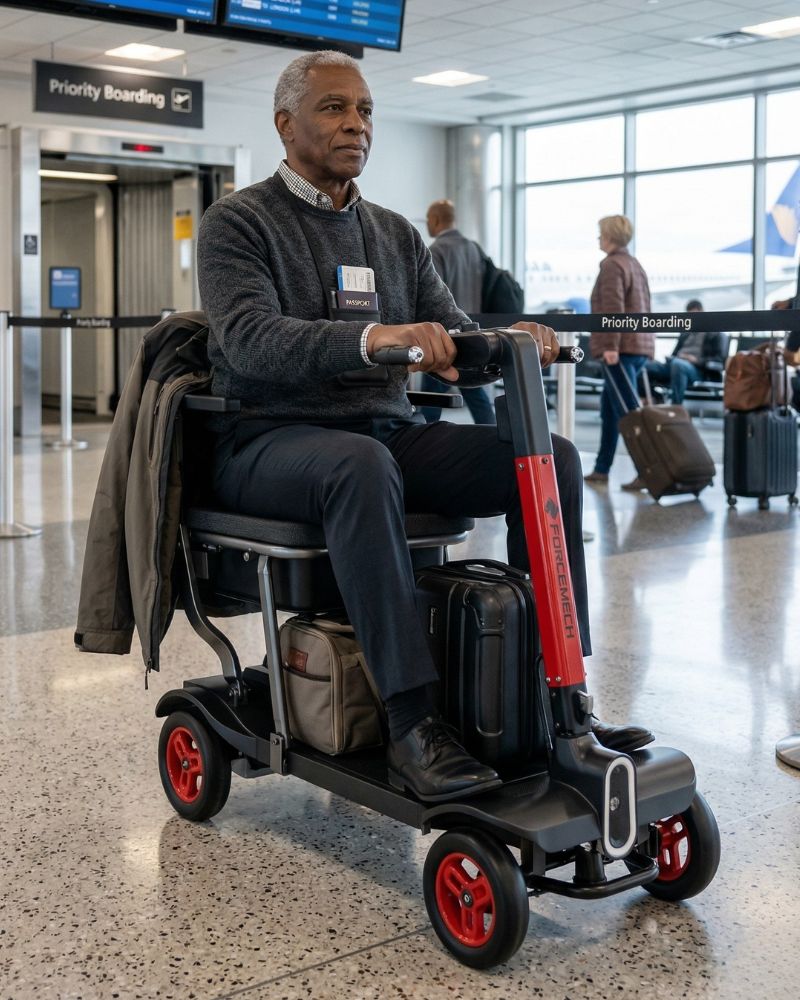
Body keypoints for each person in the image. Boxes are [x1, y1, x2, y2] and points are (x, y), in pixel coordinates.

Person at [196, 51, 652, 804]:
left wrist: (506, 343)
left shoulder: (394, 235)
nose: (356, 124)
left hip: (379, 432)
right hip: (264, 437)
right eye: (335, 108)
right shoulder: (238, 222)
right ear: (286, 124)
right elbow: (251, 340)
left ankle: (558, 697)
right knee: (360, 466)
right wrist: (371, 338)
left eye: (366, 110)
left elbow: (455, 338)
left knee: (552, 460)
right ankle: (412, 722)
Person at [584, 214, 654, 491]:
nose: (599, 238)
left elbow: (613, 310)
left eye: (601, 234)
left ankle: (647, 469)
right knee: (610, 411)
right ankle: (602, 468)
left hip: (620, 349)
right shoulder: (634, 264)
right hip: (636, 347)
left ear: (610, 237)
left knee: (628, 413)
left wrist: (610, 346)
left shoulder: (612, 265)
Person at [417, 199, 496, 425]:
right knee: (474, 390)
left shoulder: (436, 251)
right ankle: (493, 434)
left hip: (444, 334)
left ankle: (425, 436)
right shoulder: (474, 248)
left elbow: (430, 297)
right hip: (473, 328)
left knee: (431, 393)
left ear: (435, 220)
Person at [644, 299, 727, 405]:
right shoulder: (685, 333)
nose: (692, 319)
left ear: (702, 312)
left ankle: (676, 407)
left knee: (678, 365)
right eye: (689, 316)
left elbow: (720, 361)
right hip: (675, 365)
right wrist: (670, 358)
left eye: (694, 315)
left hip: (698, 371)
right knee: (644, 366)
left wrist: (695, 360)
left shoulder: (715, 334)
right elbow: (675, 354)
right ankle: (657, 397)